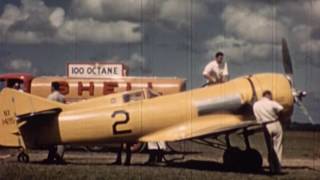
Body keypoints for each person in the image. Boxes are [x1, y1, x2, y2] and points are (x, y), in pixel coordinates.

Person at [253, 90, 284, 174]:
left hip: (265, 126)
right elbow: (281, 109)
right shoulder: (272, 103)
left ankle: (272, 167)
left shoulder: (256, 105)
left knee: (270, 148)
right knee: (278, 146)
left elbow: (257, 117)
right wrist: (280, 117)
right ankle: (278, 168)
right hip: (275, 123)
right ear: (269, 95)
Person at [43, 82, 66, 164]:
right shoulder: (62, 97)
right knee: (61, 140)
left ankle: (52, 157)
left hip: (52, 120)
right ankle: (59, 157)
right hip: (61, 119)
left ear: (52, 87)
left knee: (51, 141)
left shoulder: (50, 97)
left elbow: (46, 108)